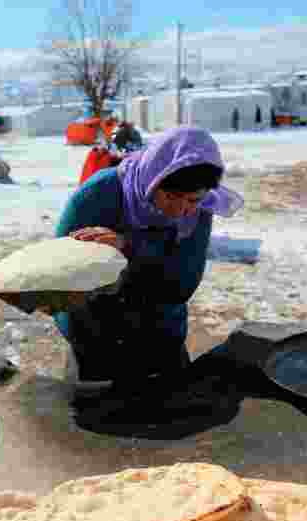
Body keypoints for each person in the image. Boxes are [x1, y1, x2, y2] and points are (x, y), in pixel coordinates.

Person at [52, 126, 243, 387]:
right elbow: (58, 276)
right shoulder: (96, 196)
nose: (179, 210)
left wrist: (128, 249)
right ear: (154, 177)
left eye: (192, 200)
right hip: (93, 341)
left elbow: (181, 284)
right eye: (171, 196)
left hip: (161, 338)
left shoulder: (198, 210)